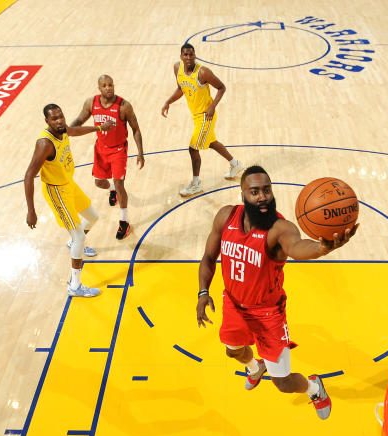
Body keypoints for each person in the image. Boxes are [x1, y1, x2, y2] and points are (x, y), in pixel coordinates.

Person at [196, 165, 356, 419]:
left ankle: (315, 388)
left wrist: (322, 249)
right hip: (234, 304)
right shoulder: (226, 217)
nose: (262, 197)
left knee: (283, 382)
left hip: (267, 313)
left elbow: (298, 247)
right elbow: (208, 257)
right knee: (233, 350)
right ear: (243, 195)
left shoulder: (279, 228)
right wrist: (203, 292)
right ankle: (254, 368)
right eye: (255, 191)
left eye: (267, 191)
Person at [24, 103, 115, 297]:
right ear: (47, 121)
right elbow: (29, 175)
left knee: (93, 218)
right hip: (56, 192)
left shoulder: (63, 129)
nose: (59, 121)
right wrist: (31, 210)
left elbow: (75, 131)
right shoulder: (44, 144)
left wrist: (99, 128)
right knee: (79, 237)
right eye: (54, 119)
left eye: (61, 116)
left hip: (68, 184)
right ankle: (75, 286)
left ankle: (73, 243)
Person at [161, 43, 244, 198]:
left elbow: (221, 87)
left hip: (206, 116)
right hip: (196, 117)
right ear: (181, 56)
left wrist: (212, 107)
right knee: (211, 143)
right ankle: (235, 164)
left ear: (195, 55)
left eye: (191, 54)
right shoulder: (177, 68)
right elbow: (181, 89)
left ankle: (196, 184)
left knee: (193, 149)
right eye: (185, 55)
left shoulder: (203, 72)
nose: (188, 57)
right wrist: (168, 102)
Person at [70, 74, 145, 240]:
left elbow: (136, 129)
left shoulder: (124, 106)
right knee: (99, 182)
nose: (108, 88)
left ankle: (124, 221)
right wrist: (67, 129)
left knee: (120, 184)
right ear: (99, 88)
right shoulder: (91, 103)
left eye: (110, 84)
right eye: (104, 85)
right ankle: (112, 190)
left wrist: (140, 152)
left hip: (118, 150)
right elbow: (78, 122)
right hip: (101, 149)